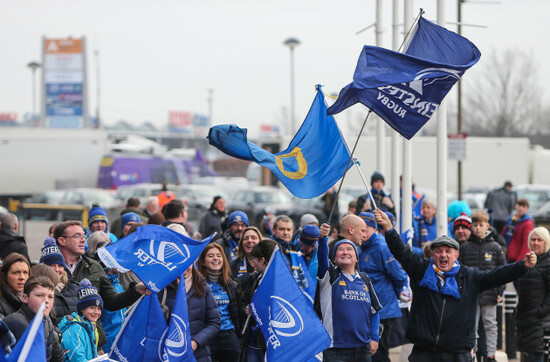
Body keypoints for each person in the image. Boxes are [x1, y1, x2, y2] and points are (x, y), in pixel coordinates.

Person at [374, 209, 537, 361]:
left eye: (448, 251)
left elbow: (498, 275)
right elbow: (402, 253)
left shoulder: (470, 276)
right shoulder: (422, 270)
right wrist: (388, 228)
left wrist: (522, 265)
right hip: (424, 352)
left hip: (458, 353)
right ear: (432, 254)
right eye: (438, 251)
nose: (443, 255)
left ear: (456, 255)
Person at [52, 220, 147, 323]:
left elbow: (111, 302)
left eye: (84, 236)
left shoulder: (94, 266)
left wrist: (136, 290)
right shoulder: (49, 268)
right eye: (77, 236)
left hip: (89, 335)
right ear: (62, 240)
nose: (83, 240)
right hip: (58, 334)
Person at [317, 224, 382, 362]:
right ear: (334, 259)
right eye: (340, 250)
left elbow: (375, 311)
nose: (345, 252)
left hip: (362, 348)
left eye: (349, 249)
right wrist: (322, 239)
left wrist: (374, 338)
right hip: (335, 349)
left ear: (356, 258)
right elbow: (322, 258)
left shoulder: (364, 279)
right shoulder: (330, 276)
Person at [358, 212, 407, 362]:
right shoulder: (362, 246)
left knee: (379, 353)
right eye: (361, 229)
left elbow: (398, 275)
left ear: (374, 228)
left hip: (383, 310)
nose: (363, 232)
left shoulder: (381, 247)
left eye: (366, 228)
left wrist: (400, 291)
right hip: (369, 308)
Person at [458, 210, 505, 362]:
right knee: (472, 325)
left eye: (481, 225)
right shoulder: (465, 248)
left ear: (487, 226)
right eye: (475, 225)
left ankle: (490, 355)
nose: (478, 228)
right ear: (471, 227)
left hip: (490, 293)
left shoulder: (496, 247)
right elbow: (461, 271)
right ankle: (472, 353)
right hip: (471, 293)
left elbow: (502, 270)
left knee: (491, 324)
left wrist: (500, 290)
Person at [197, 243, 241, 362]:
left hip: (229, 336)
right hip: (207, 337)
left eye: (219, 255)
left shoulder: (232, 284)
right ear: (202, 262)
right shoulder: (197, 285)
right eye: (211, 256)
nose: (216, 258)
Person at [3, 276, 64, 362]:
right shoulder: (16, 323)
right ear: (25, 298)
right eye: (39, 295)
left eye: (50, 297)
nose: (46, 300)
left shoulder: (47, 321)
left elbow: (57, 357)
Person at [239, 239, 278, 362]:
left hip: (272, 341)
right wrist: (247, 308)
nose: (253, 263)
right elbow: (244, 301)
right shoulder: (255, 278)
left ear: (262, 260)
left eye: (254, 259)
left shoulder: (282, 281)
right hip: (253, 340)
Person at [516, 227, 550, 362]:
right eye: (533, 239)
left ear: (546, 242)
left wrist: (541, 311)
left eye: (539, 240)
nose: (535, 243)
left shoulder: (547, 263)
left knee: (537, 356)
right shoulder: (528, 262)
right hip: (527, 321)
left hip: (540, 323)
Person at [184, 264, 221, 362]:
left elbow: (215, 322)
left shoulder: (203, 286)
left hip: (199, 354)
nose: (184, 268)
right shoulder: (162, 289)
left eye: (188, 264)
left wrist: (196, 341)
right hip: (171, 353)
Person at [59, 278, 103, 361]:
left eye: (99, 308)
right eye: (92, 307)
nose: (96, 312)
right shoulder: (75, 329)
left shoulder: (89, 325)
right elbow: (78, 358)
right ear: (82, 308)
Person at [502, 198, 535, 264]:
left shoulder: (528, 223)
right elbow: (503, 235)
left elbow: (526, 245)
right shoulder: (511, 219)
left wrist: (519, 262)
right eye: (519, 205)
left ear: (527, 209)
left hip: (516, 258)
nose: (521, 208)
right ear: (515, 206)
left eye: (523, 206)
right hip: (506, 254)